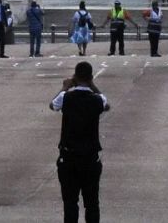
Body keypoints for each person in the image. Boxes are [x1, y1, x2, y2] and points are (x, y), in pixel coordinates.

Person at [50, 61, 109, 223]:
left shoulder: (66, 97)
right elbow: (107, 104)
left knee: (70, 203)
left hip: (69, 157)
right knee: (92, 204)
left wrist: (65, 87)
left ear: (75, 76)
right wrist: (93, 85)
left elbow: (52, 105)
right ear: (90, 77)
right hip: (90, 157)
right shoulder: (96, 99)